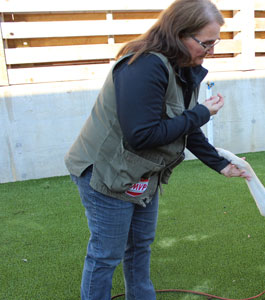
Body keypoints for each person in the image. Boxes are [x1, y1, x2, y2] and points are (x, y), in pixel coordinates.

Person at [64, 1, 248, 299]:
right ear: (179, 34)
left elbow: (182, 123)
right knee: (106, 255)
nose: (211, 51)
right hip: (106, 171)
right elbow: (143, 135)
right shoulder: (144, 66)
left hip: (142, 172)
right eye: (207, 43)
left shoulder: (184, 66)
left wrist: (220, 164)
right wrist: (202, 113)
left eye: (215, 43)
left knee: (139, 248)